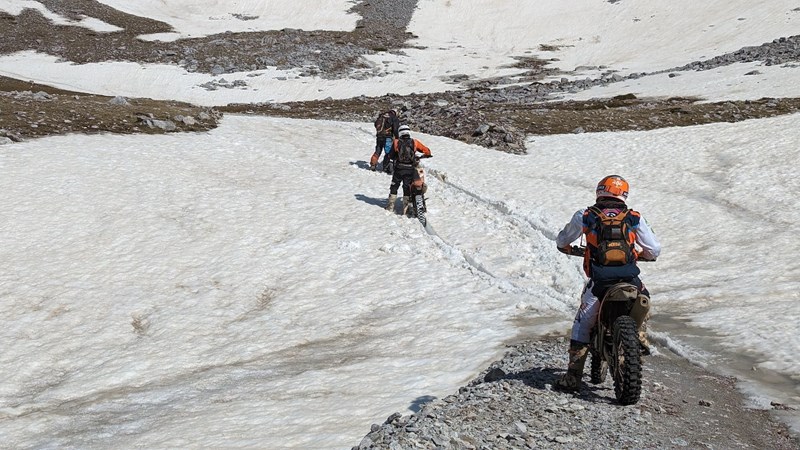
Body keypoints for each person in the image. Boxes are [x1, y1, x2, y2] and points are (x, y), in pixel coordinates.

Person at [554, 175, 661, 391]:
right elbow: (654, 249)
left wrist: (566, 247)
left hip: (600, 281)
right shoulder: (634, 217)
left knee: (582, 324)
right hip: (629, 278)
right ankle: (639, 335)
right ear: (624, 194)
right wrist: (644, 256)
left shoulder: (585, 215)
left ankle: (573, 377)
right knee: (644, 300)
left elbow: (563, 240)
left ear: (600, 191)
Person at [384, 125, 432, 214]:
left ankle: (390, 206)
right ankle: (405, 208)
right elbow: (427, 151)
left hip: (399, 168)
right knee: (407, 187)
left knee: (394, 186)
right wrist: (425, 154)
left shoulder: (396, 142)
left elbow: (390, 155)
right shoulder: (415, 142)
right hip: (410, 168)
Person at [370, 108, 400, 173]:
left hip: (379, 136)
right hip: (388, 137)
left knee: (378, 150)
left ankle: (373, 164)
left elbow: (376, 124)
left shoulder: (382, 116)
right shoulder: (393, 117)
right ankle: (386, 167)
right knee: (388, 153)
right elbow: (395, 129)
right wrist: (397, 137)